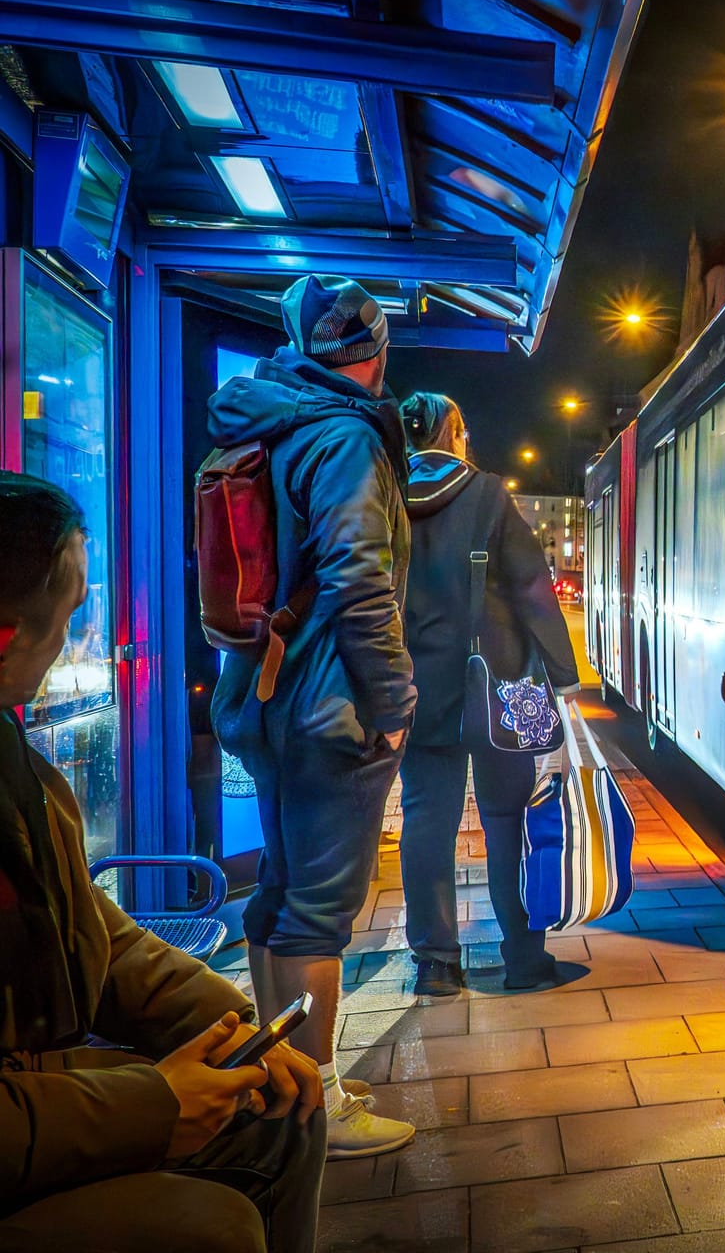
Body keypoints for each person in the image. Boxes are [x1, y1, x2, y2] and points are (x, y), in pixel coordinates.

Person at [0, 473, 325, 1253]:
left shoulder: (16, 757)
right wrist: (155, 1103)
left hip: (44, 1093)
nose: (81, 644)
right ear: (7, 631)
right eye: (74, 615)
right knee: (209, 1230)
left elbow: (92, 929)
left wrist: (234, 1027)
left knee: (279, 1112)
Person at [208, 274, 416, 1159]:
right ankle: (317, 1104)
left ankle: (280, 1075)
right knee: (321, 912)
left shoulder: (262, 420)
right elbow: (359, 579)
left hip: (262, 695)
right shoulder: (344, 438)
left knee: (280, 895)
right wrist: (397, 702)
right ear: (373, 357)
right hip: (329, 708)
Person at [395, 393, 583, 997]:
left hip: (416, 687)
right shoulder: (487, 495)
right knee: (508, 819)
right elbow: (531, 587)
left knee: (428, 819)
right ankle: (524, 958)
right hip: (495, 684)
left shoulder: (385, 496)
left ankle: (436, 964)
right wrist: (562, 673)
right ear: (454, 433)